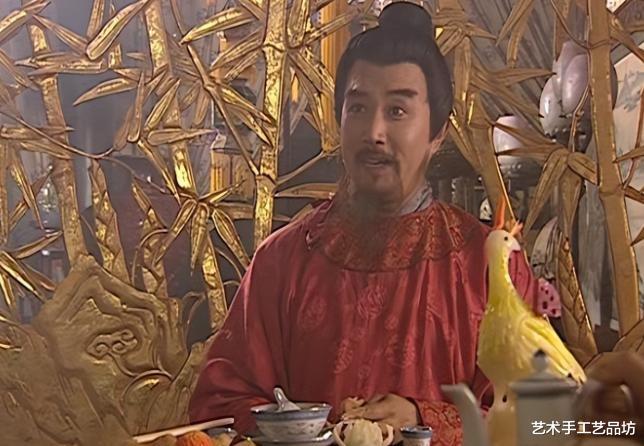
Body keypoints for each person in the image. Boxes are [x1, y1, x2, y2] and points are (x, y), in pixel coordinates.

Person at [189, 3, 540, 445]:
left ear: (437, 134)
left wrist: (425, 420)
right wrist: (308, 430)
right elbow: (217, 409)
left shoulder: (489, 269)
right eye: (357, 108)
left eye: (397, 111)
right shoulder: (282, 262)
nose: (374, 132)